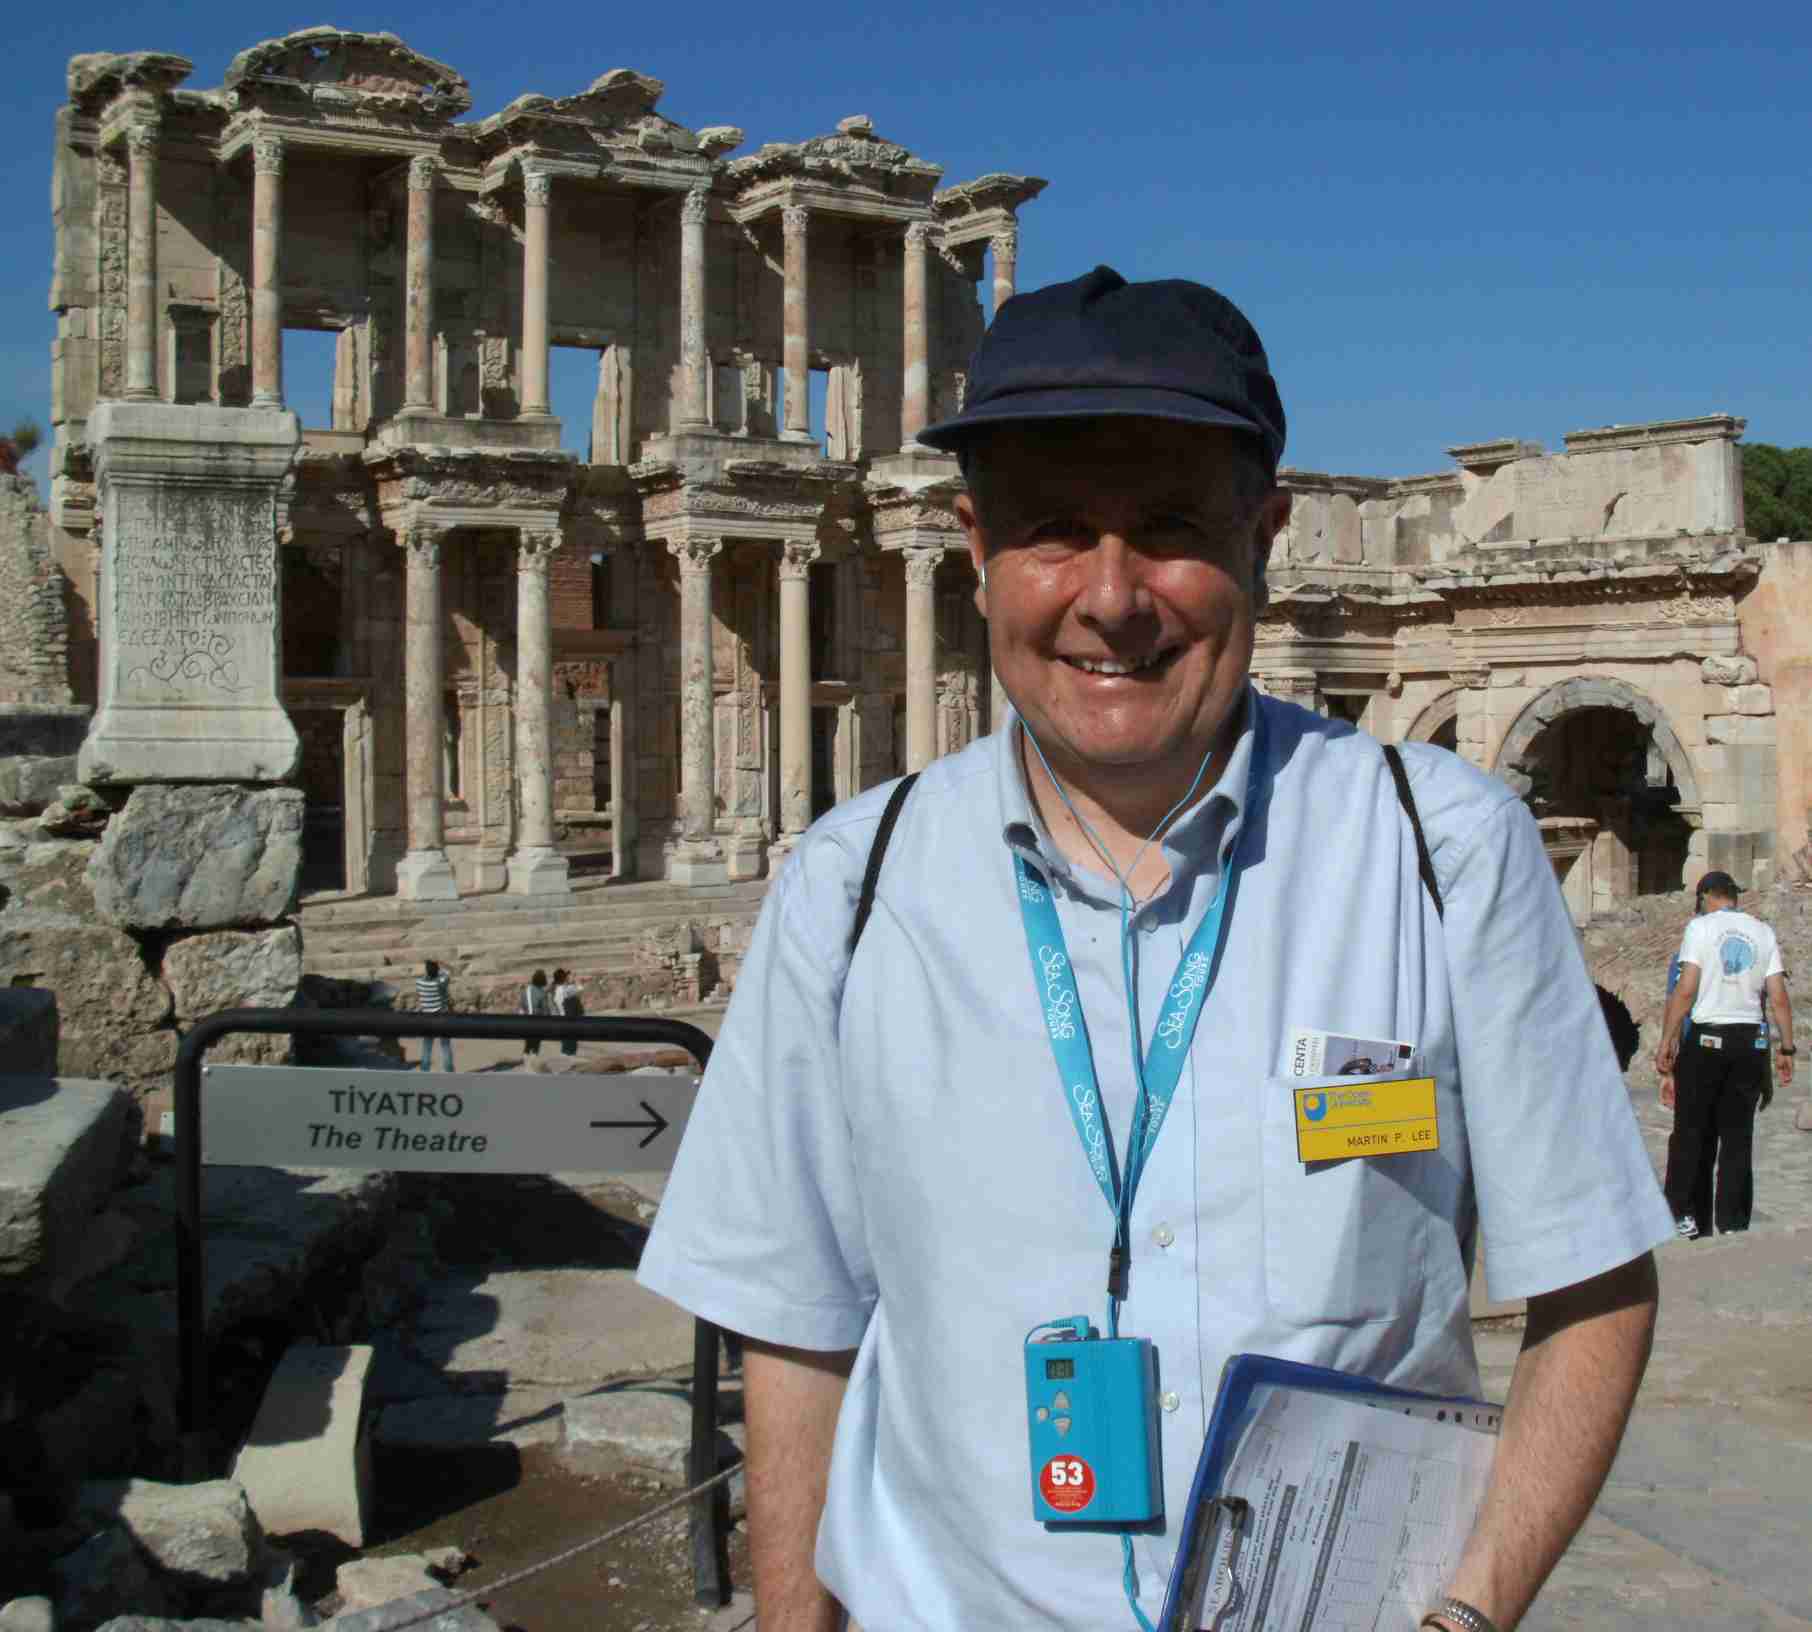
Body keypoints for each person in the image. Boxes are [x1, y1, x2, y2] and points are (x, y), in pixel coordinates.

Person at [638, 268, 1674, 1632]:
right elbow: (796, 1322)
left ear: (1265, 535)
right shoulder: (850, 886)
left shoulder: (1446, 849)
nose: (1113, 598)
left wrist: (1473, 1615)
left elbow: (1594, 1280)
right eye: (1057, 531)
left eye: (1172, 529)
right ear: (976, 546)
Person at [1655, 870, 1795, 1237]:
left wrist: (1667, 1040)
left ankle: (1683, 1214)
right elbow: (1778, 995)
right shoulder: (1762, 931)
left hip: (1707, 1040)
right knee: (1737, 1135)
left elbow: (1685, 990)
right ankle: (1732, 1221)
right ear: (1735, 896)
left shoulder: (1700, 929)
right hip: (1749, 1042)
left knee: (1691, 1131)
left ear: (1704, 897)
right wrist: (1787, 1047)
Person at [414, 959, 454, 1072]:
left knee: (427, 1047)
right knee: (445, 1046)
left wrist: (431, 967)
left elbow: (426, 976)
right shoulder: (441, 981)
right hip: (442, 1016)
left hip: (427, 1018)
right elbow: (451, 970)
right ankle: (449, 1071)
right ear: (437, 970)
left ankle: (424, 1071)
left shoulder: (419, 982)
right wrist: (440, 962)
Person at [520, 968, 550, 1065]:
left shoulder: (525, 991)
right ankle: (533, 1063)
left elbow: (522, 1006)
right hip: (538, 1021)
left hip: (525, 1021)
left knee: (528, 1043)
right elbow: (545, 1010)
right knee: (536, 1043)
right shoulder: (541, 993)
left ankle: (526, 1060)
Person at [552, 968, 583, 1057]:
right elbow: (581, 988)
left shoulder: (558, 989)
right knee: (570, 1047)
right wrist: (576, 980)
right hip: (569, 1020)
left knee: (566, 1046)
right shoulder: (566, 990)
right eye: (567, 977)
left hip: (562, 1019)